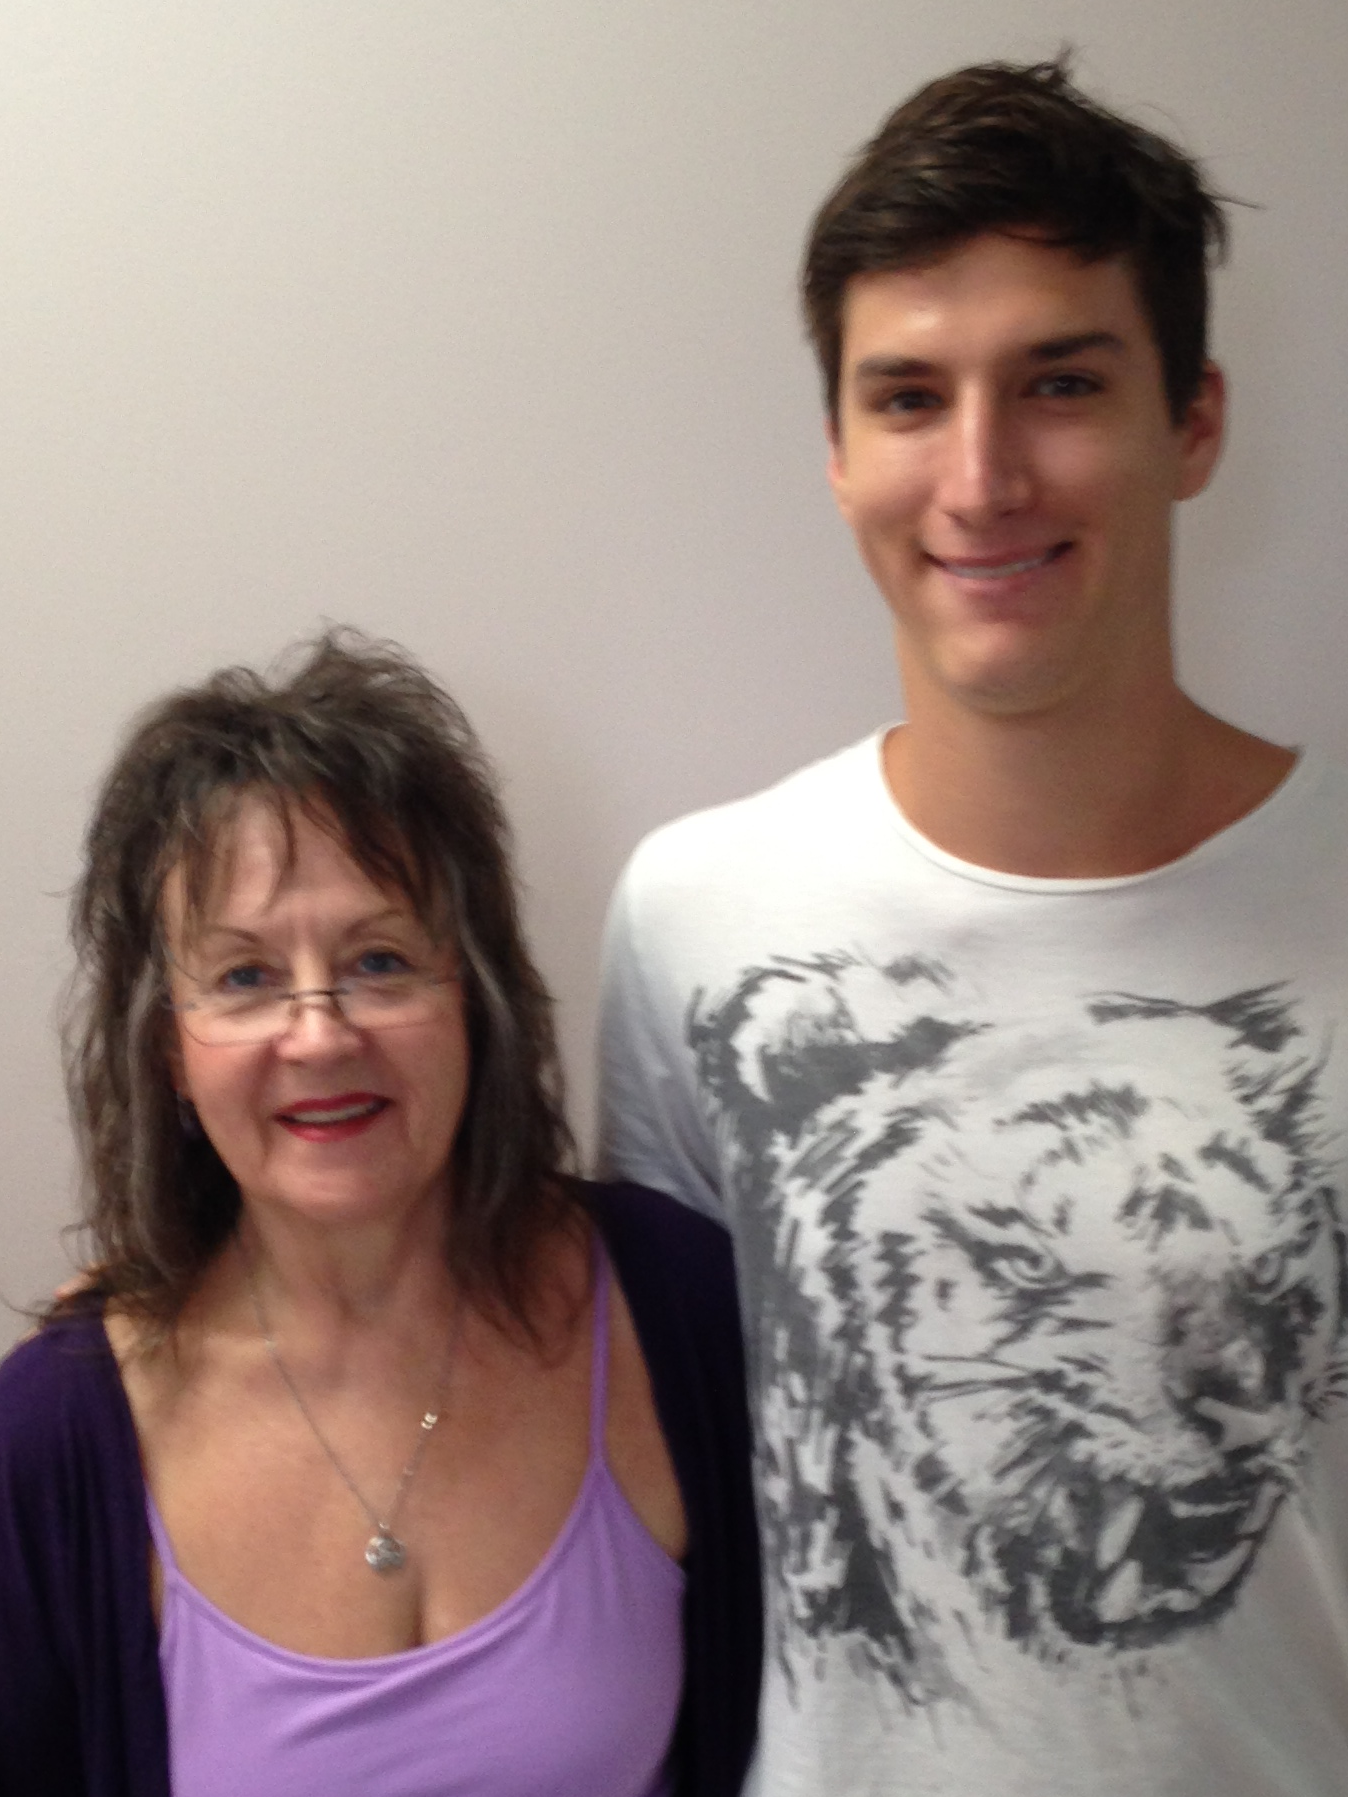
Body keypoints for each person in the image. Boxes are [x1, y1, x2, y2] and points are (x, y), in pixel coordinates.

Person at [598, 55, 1348, 1797]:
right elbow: (645, 1447)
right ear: (839, 449)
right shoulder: (700, 925)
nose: (982, 475)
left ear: (1194, 420)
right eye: (910, 397)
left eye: (1059, 382)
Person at [0, 631, 761, 1797]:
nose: (320, 1033)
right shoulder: (59, 1439)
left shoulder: (679, 1307)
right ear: (170, 1049)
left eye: (379, 960)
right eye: (245, 976)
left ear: (477, 995)